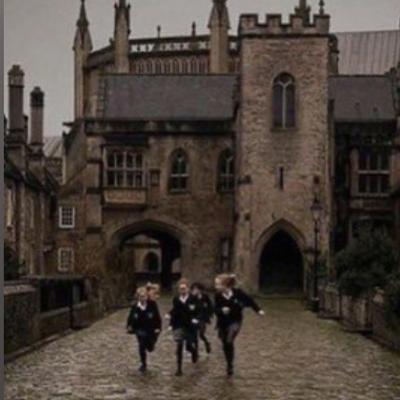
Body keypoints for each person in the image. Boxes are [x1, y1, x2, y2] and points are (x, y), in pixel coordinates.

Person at [214, 274, 265, 376]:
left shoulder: (238, 293)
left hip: (235, 321)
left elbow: (249, 300)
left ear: (226, 285)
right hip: (223, 323)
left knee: (229, 340)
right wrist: (221, 310)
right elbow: (215, 309)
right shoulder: (217, 296)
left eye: (218, 284)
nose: (216, 286)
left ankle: (230, 364)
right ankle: (229, 363)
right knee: (225, 344)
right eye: (216, 284)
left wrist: (258, 310)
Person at [166, 278, 201, 376]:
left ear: (188, 289)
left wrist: (196, 319)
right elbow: (175, 312)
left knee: (189, 345)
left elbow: (199, 310)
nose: (182, 290)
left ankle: (193, 351)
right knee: (179, 345)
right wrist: (171, 324)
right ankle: (179, 368)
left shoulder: (193, 299)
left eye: (184, 288)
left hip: (190, 326)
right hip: (179, 325)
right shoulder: (176, 299)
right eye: (180, 289)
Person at [127, 287, 162, 373]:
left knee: (150, 346)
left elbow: (157, 317)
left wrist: (158, 327)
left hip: (150, 329)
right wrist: (129, 326)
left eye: (144, 296)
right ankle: (143, 364)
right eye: (140, 296)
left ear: (147, 296)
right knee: (141, 345)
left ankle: (151, 345)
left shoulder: (152, 304)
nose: (142, 298)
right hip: (139, 329)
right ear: (138, 297)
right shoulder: (135, 307)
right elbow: (130, 317)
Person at [191, 282, 213, 354]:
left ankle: (207, 343)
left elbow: (210, 306)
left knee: (201, 334)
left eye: (196, 289)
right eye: (193, 289)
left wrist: (209, 314)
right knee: (194, 334)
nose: (195, 291)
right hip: (194, 318)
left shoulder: (205, 297)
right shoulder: (192, 298)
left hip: (203, 318)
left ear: (200, 290)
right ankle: (196, 350)